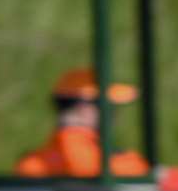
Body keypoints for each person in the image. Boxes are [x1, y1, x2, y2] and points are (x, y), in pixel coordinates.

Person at [14, 68, 150, 179]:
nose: (116, 115)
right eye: (111, 107)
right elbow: (86, 170)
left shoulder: (32, 164)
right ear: (83, 109)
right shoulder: (124, 165)